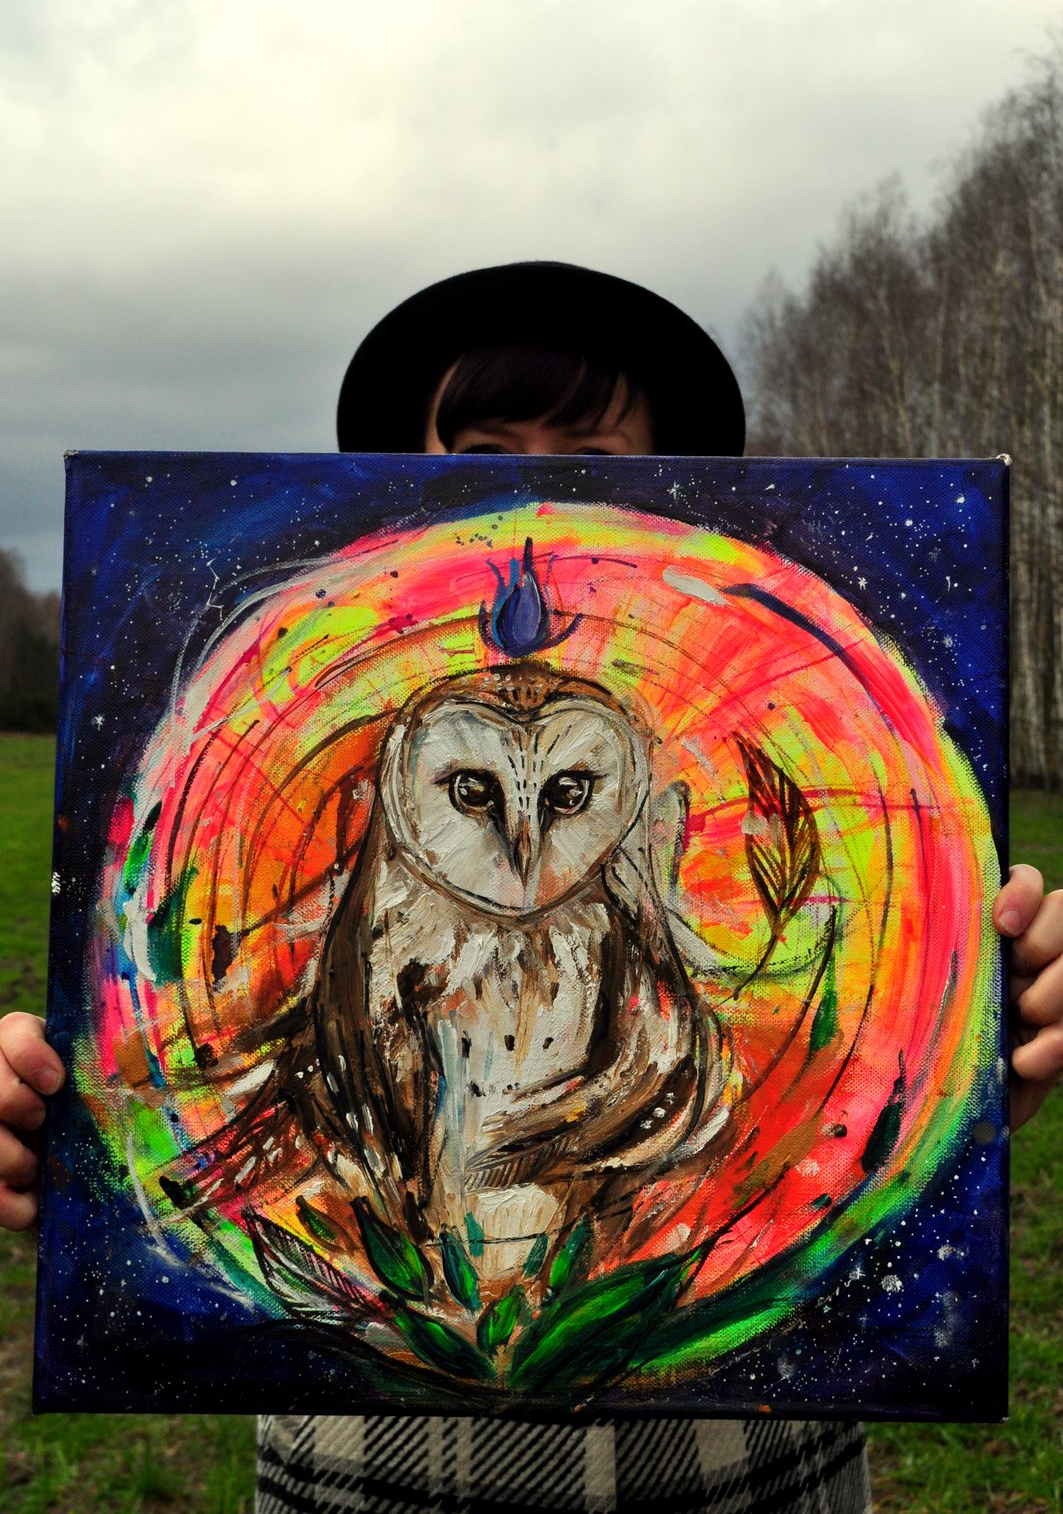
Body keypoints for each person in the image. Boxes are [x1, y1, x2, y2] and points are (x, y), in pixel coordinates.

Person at [1, 262, 1060, 1514]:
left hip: (736, 1465)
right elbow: (205, 1071)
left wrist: (983, 1045)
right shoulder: (350, 927)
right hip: (375, 1466)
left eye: (595, 454)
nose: (519, 842)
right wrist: (72, 1116)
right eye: (483, 450)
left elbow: (780, 1082)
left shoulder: (656, 924)